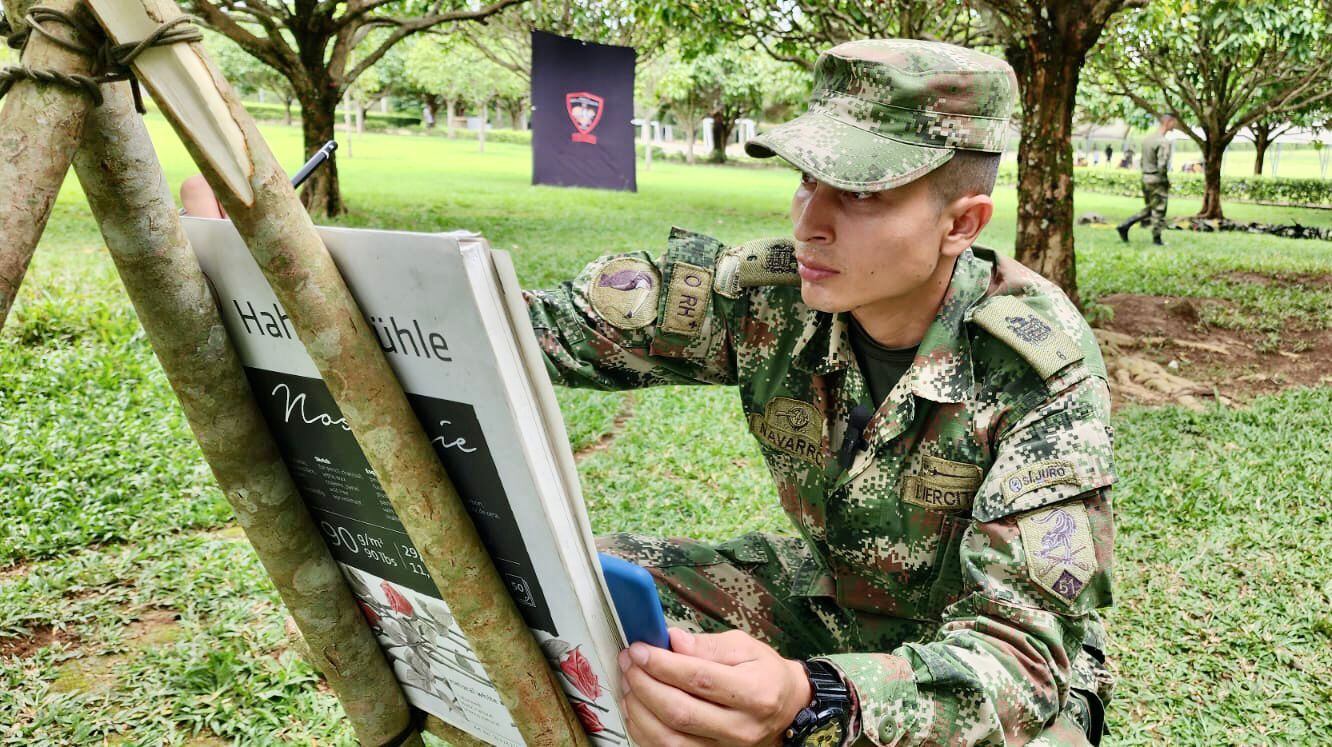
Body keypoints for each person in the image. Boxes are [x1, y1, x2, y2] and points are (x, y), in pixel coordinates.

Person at [183, 39, 1116, 747]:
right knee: (587, 590)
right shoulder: (770, 292)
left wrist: (813, 698)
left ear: (962, 222)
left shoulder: (1038, 366)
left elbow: (1024, 654)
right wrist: (278, 261)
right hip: (830, 596)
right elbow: (513, 328)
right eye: (805, 178)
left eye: (861, 194)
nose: (811, 219)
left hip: (985, 670)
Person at [1117, 113, 1177, 246]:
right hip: (1156, 179)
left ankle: (1125, 226)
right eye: (1174, 122)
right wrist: (1165, 181)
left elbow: (1143, 161)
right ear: (1168, 122)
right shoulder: (1163, 142)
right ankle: (1157, 239)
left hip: (1146, 177)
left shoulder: (1147, 139)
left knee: (1150, 209)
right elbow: (1162, 165)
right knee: (1159, 210)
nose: (1175, 125)